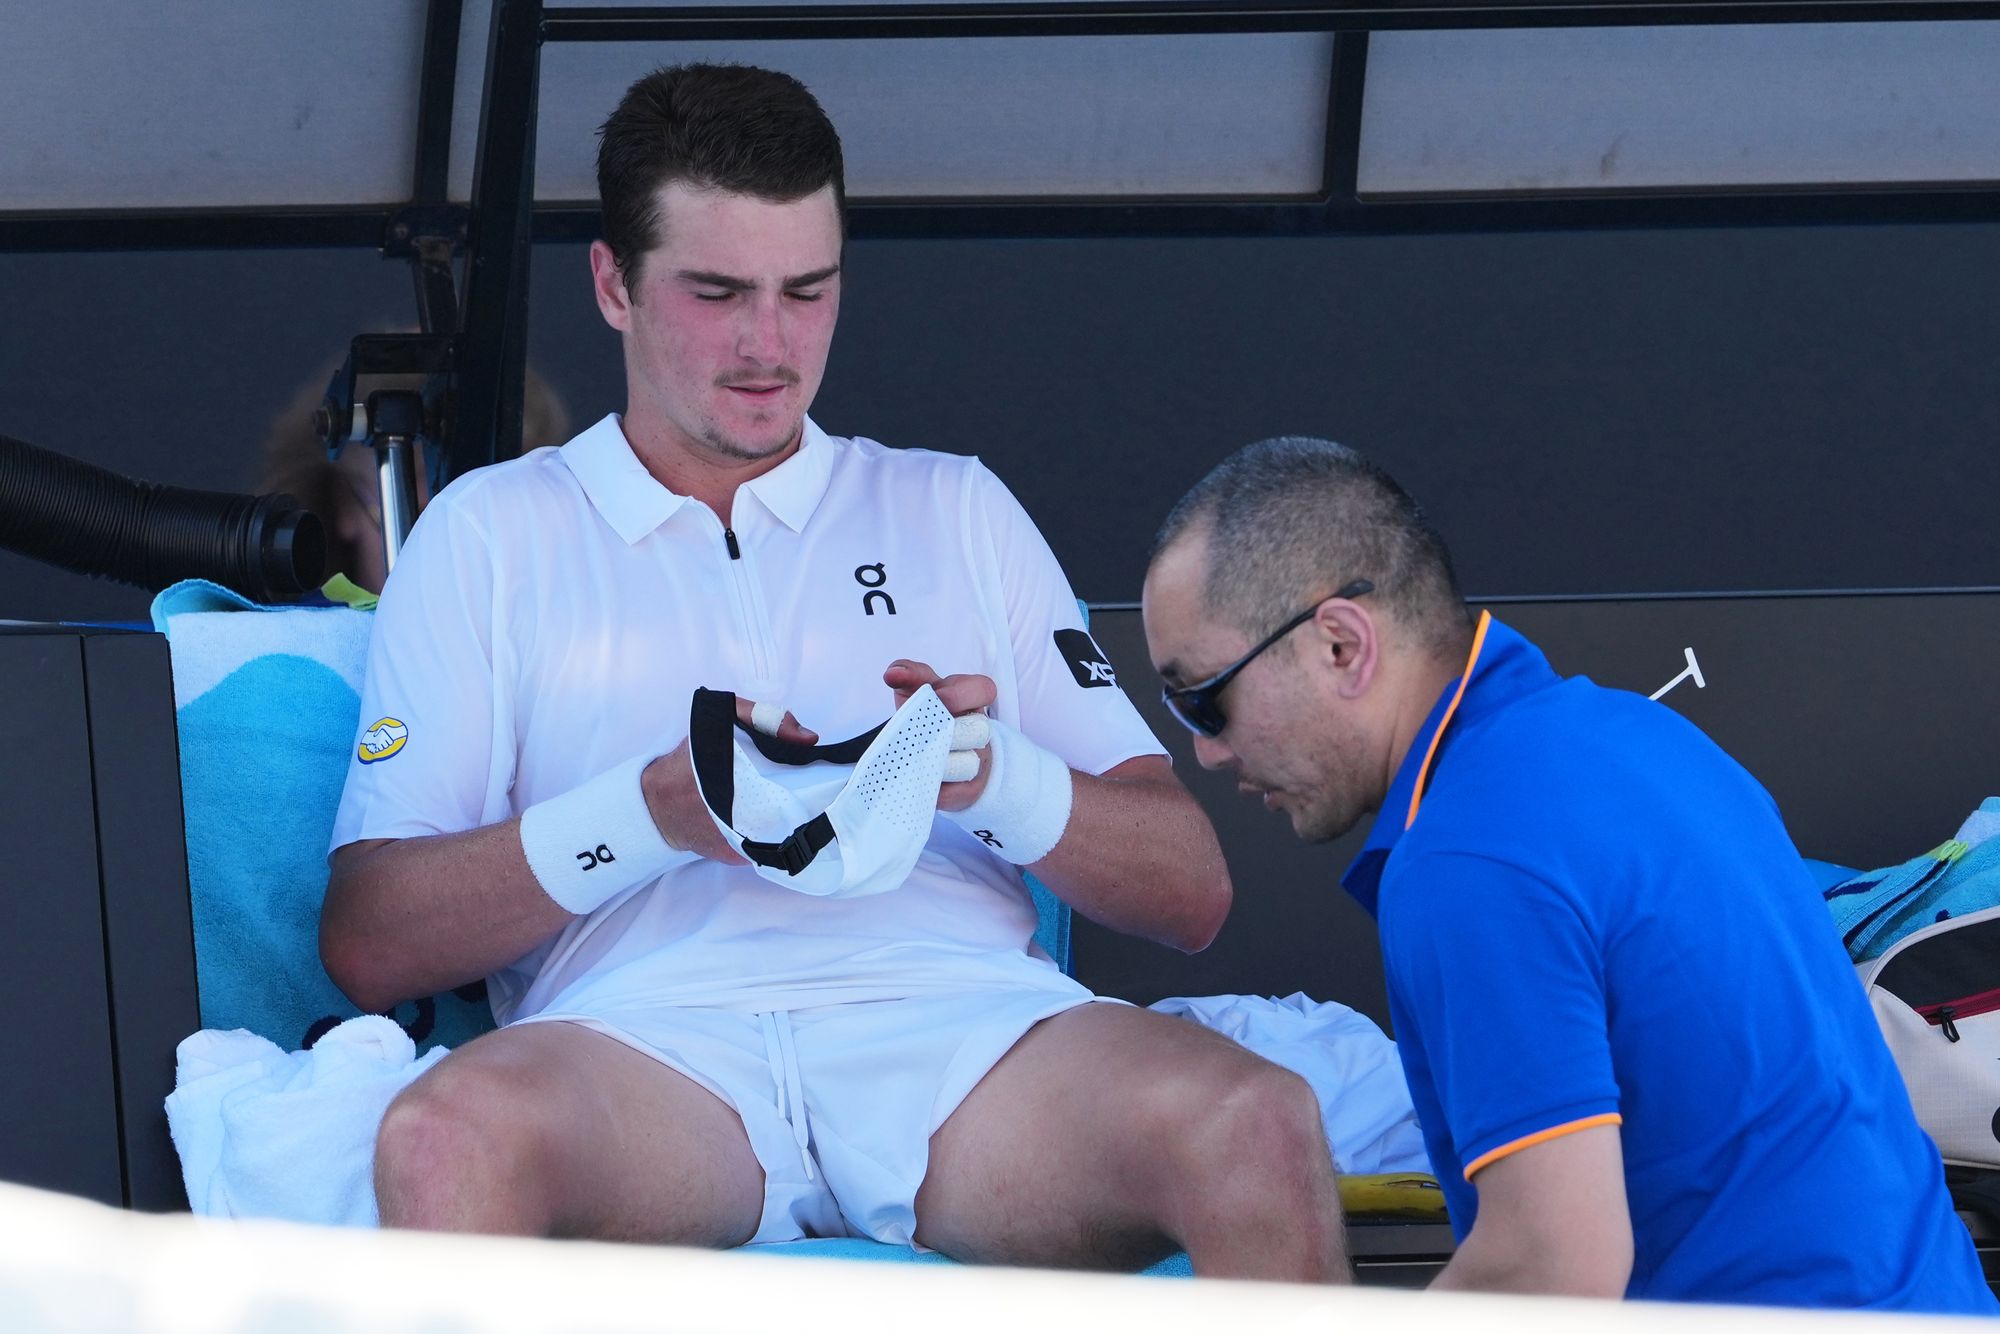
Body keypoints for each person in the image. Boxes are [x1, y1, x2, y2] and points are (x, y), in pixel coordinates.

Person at [319, 64, 1346, 1278]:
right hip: (645, 1049)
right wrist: (651, 813)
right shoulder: (489, 531)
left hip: (964, 1037)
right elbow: (371, 939)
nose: (769, 343)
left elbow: (1191, 890)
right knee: (442, 1138)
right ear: (612, 284)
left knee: (1256, 1119)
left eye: (806, 290)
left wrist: (991, 774)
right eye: (716, 292)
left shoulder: (953, 503)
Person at [1140, 435, 1997, 1310]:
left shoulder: (1467, 857)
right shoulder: (1644, 739)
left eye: (1204, 699)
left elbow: (1550, 1265)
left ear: (1339, 645)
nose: (1206, 752)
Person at [256, 353, 570, 595]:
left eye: (493, 528)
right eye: (418, 520)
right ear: (343, 503)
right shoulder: (298, 650)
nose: (458, 563)